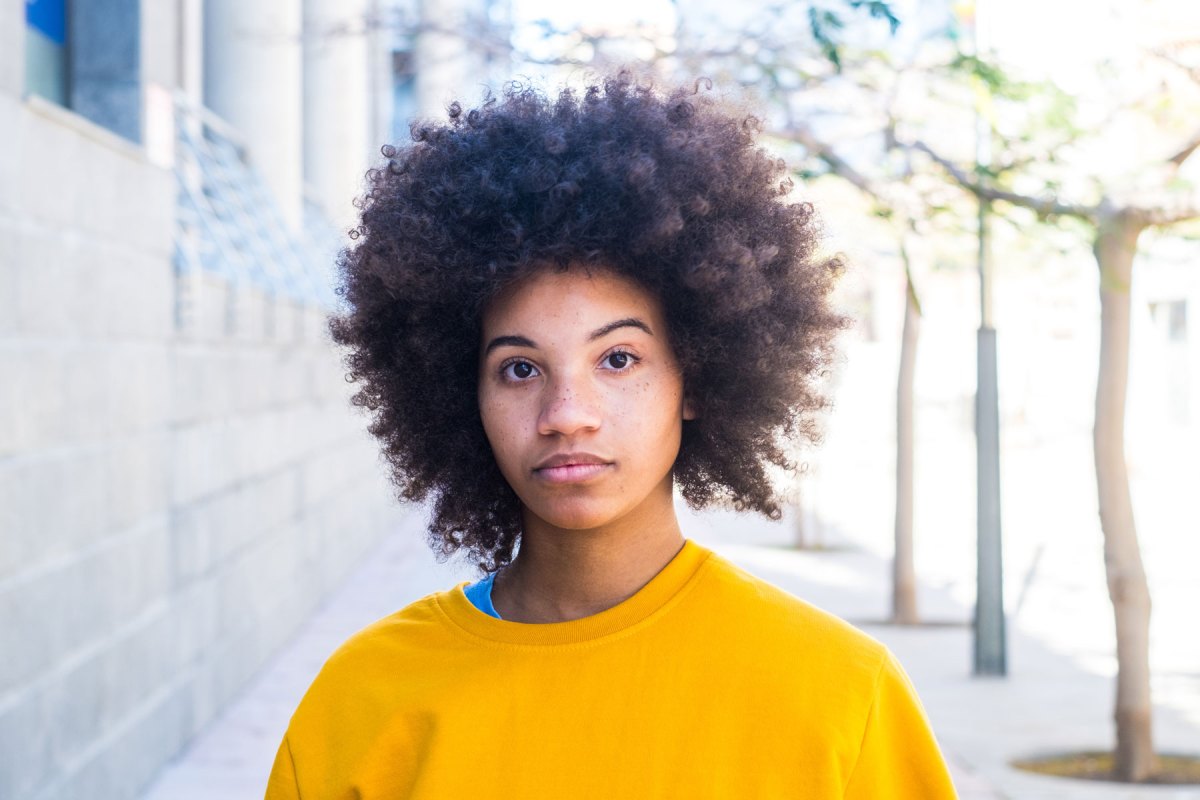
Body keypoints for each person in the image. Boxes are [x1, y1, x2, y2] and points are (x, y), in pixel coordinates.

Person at [264, 71, 959, 799]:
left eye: (618, 359)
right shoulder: (363, 698)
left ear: (696, 375)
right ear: (458, 392)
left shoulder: (839, 695)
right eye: (520, 368)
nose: (567, 412)